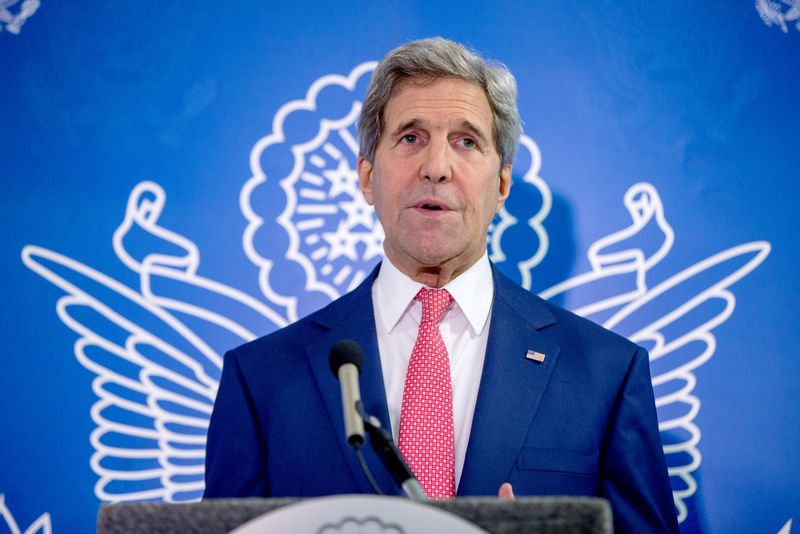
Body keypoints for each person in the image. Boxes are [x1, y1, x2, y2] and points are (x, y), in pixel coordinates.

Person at [204, 37, 678, 533]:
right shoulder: (260, 381)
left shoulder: (604, 374)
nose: (437, 167)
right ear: (367, 177)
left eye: (466, 141)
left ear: (501, 186)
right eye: (410, 137)